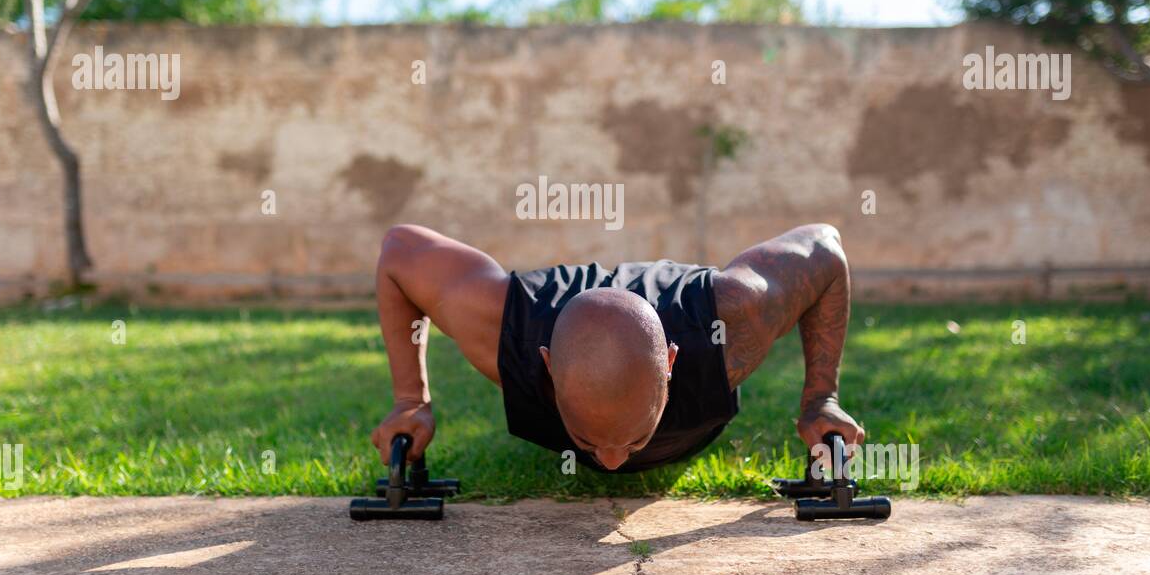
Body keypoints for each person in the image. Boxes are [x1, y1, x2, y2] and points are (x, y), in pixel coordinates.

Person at [370, 223, 863, 473]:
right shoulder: (507, 331)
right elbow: (398, 249)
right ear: (548, 366)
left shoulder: (731, 322)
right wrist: (409, 401)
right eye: (586, 441)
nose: (611, 463)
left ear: (671, 364)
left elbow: (825, 246)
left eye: (633, 439)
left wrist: (822, 399)